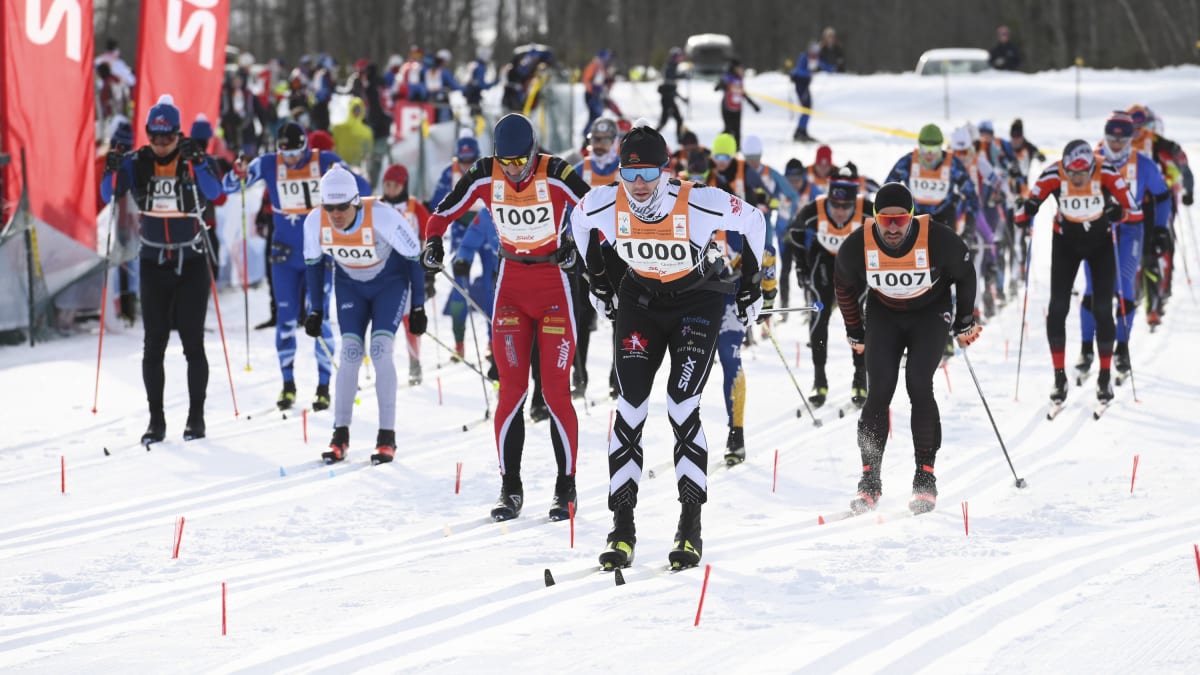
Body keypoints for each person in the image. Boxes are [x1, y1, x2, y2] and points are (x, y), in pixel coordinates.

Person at [569, 122, 767, 570]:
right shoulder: (606, 200)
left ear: (665, 170)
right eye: (629, 173)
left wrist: (752, 285)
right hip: (641, 301)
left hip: (697, 301)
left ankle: (689, 528)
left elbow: (754, 221)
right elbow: (578, 221)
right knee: (630, 408)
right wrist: (597, 279)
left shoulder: (698, 200)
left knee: (681, 405)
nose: (638, 185)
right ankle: (621, 531)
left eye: (648, 174)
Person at [422, 113, 591, 522]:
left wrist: (577, 245)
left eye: (520, 161)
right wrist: (433, 242)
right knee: (511, 392)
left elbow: (597, 210)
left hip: (553, 288)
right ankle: (510, 487)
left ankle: (565, 487)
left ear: (534, 152)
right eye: (506, 161)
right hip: (511, 288)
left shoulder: (556, 172)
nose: (513, 170)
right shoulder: (485, 172)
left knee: (554, 392)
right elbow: (442, 212)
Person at [834, 182, 979, 515]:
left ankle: (925, 477)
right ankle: (869, 480)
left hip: (930, 313)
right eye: (885, 220)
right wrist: (854, 330)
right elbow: (843, 284)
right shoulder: (858, 245)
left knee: (918, 382)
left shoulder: (938, 239)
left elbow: (965, 273)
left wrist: (964, 320)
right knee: (879, 390)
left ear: (912, 217)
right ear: (875, 218)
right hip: (885, 313)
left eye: (900, 220)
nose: (893, 228)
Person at [100, 95, 223, 444]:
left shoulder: (191, 159)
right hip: (154, 263)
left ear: (178, 133)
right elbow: (108, 195)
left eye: (167, 137)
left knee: (192, 343)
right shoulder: (137, 161)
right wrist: (110, 169)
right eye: (154, 137)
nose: (160, 144)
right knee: (153, 345)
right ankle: (156, 420)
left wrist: (199, 162)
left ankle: (196, 417)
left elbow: (215, 193)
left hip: (191, 262)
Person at [225, 121, 372, 412]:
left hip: (319, 256)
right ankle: (288, 384)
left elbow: (362, 188)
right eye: (286, 154)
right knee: (286, 320)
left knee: (319, 317)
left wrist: (347, 197)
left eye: (296, 153)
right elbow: (228, 186)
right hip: (285, 257)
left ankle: (323, 387)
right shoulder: (269, 163)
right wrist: (237, 172)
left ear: (306, 147)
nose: (291, 160)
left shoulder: (324, 161)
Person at [302, 165, 426, 465]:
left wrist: (418, 305)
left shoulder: (382, 216)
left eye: (342, 207)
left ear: (356, 202)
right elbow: (313, 265)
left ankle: (386, 437)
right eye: (329, 207)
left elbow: (413, 257)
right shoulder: (315, 222)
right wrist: (315, 308)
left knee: (380, 350)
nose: (335, 214)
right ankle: (340, 435)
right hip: (350, 287)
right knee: (350, 353)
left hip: (389, 284)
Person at [1016, 139, 1142, 407]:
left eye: (1082, 173)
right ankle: (1059, 378)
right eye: (1071, 173)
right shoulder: (1052, 174)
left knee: (1102, 309)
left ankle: (1104, 377)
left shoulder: (1107, 171)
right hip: (1066, 244)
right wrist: (1026, 209)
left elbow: (1132, 208)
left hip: (1101, 245)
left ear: (1092, 168)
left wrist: (1117, 211)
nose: (1076, 178)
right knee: (1058, 308)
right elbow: (1024, 210)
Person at [1076, 112, 1171, 385]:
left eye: (1123, 139)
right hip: (1097, 230)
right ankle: (1086, 350)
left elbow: (1163, 195)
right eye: (1112, 139)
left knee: (1124, 283)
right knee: (1093, 287)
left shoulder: (1142, 164)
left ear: (1131, 139)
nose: (1116, 144)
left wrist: (1160, 228)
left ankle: (1122, 349)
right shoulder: (1091, 160)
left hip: (1130, 231)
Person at [708, 133, 774, 462]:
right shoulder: (682, 219)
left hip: (729, 297)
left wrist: (767, 296)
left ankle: (736, 434)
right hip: (696, 299)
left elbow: (768, 254)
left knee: (730, 358)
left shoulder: (733, 225)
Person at [789, 166, 871, 408]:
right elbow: (795, 233)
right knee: (819, 315)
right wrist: (801, 266)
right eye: (835, 205)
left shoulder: (867, 210)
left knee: (857, 318)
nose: (840, 212)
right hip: (824, 262)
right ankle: (819, 379)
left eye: (846, 207)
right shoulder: (814, 209)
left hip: (855, 266)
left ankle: (860, 377)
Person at [430, 136, 484, 361]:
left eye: (471, 160)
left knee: (492, 285)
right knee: (459, 287)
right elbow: (436, 205)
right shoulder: (448, 173)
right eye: (463, 161)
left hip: (486, 228)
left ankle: (493, 343)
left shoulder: (485, 171)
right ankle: (459, 343)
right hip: (462, 230)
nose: (466, 165)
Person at [379, 163, 432, 385]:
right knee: (385, 322)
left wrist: (429, 275)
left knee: (410, 320)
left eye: (395, 185)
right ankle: (385, 367)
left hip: (409, 273)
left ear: (404, 185)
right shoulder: (377, 206)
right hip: (383, 273)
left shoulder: (414, 207)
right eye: (387, 184)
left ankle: (414, 362)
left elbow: (429, 238)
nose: (390, 189)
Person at [885, 123, 980, 230]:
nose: (929, 154)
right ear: (919, 146)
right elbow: (887, 191)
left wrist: (969, 227)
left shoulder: (953, 165)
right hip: (913, 217)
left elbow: (971, 195)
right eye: (925, 148)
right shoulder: (907, 163)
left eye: (934, 149)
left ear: (940, 146)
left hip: (944, 217)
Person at [714, 59, 759, 147]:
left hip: (737, 108)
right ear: (734, 68)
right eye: (739, 68)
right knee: (728, 129)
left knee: (737, 130)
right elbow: (716, 88)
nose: (741, 69)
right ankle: (720, 145)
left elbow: (743, 94)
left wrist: (753, 105)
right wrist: (723, 85)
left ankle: (737, 148)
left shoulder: (739, 79)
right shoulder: (727, 77)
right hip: (727, 107)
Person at [582, 49, 621, 145]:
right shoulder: (593, 66)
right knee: (595, 115)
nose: (606, 61)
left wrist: (609, 80)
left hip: (597, 95)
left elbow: (604, 80)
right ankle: (586, 136)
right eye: (605, 58)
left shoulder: (601, 67)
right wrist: (592, 89)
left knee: (596, 116)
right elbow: (586, 79)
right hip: (591, 95)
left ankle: (590, 135)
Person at [789, 42, 823, 142]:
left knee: (807, 108)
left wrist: (832, 68)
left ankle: (802, 130)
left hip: (806, 86)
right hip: (801, 86)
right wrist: (810, 72)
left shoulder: (815, 58)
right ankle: (800, 131)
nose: (815, 53)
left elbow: (823, 64)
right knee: (806, 108)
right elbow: (799, 71)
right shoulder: (804, 57)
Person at [656, 47, 688, 143]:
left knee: (678, 120)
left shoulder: (673, 66)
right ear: (674, 57)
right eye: (679, 57)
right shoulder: (670, 67)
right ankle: (651, 136)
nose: (680, 59)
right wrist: (682, 76)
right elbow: (670, 83)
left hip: (670, 99)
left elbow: (672, 87)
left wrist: (682, 99)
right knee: (664, 121)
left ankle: (679, 140)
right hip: (667, 100)